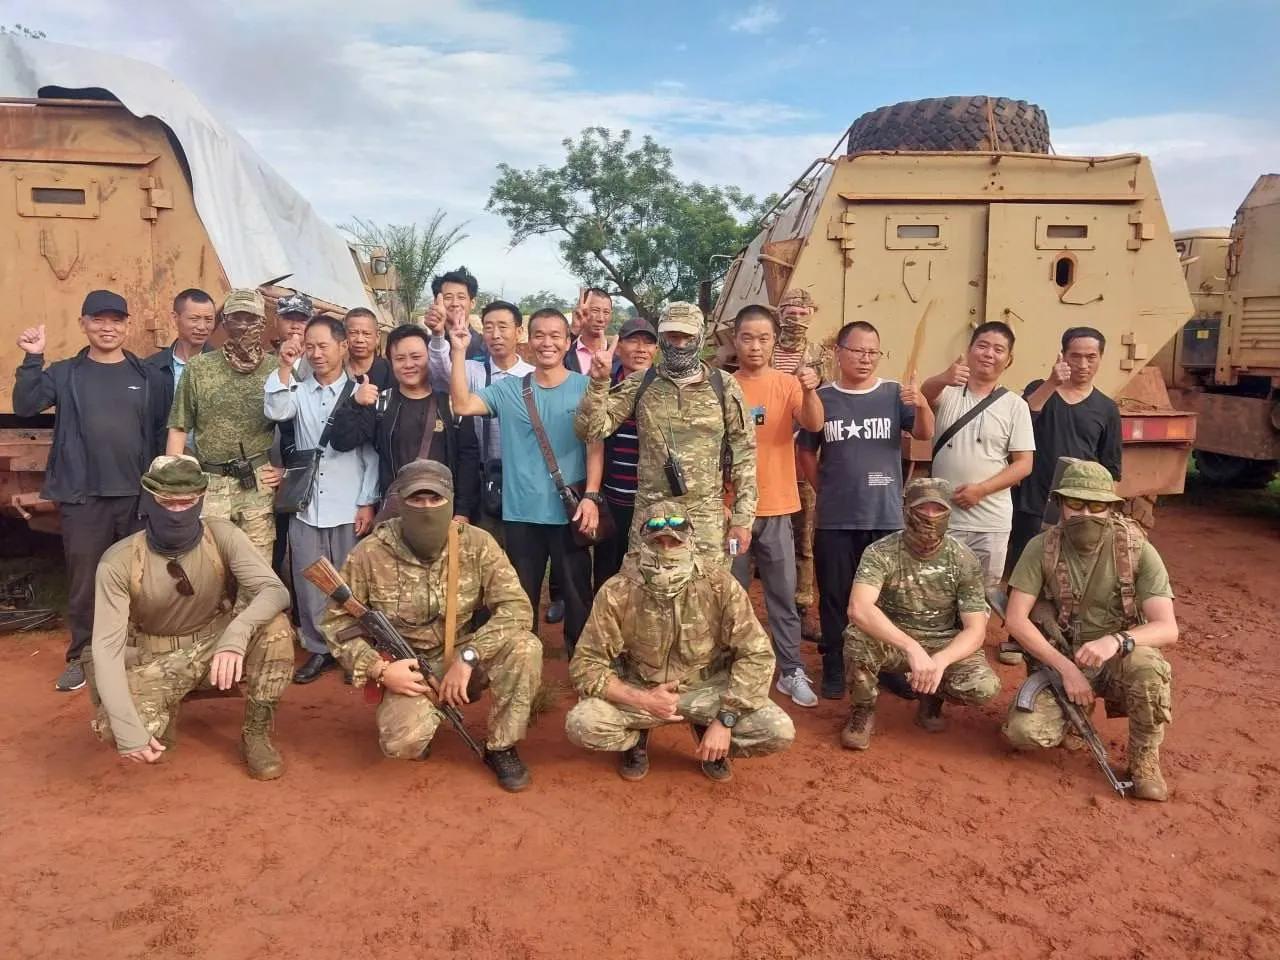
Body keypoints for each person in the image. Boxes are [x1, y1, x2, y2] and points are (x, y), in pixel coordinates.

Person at [318, 460, 542, 792]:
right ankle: (424, 716)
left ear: (450, 500)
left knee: (525, 647)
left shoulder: (477, 544)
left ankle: (502, 746)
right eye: (416, 499)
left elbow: (517, 608)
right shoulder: (370, 553)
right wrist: (380, 670)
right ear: (400, 501)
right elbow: (336, 623)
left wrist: (469, 656)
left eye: (435, 498)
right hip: (406, 667)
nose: (426, 507)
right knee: (402, 743)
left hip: (463, 655)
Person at [82, 455, 294, 779]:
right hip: (154, 657)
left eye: (187, 502)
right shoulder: (119, 561)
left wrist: (236, 634)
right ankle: (164, 706)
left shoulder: (221, 535)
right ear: (149, 499)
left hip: (214, 646)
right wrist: (128, 731)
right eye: (167, 502)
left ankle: (256, 734)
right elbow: (106, 648)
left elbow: (275, 591)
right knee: (114, 728)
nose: (177, 511)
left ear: (201, 499)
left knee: (276, 629)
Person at [565, 501, 795, 783]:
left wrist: (726, 718)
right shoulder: (618, 590)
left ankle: (708, 730)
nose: (666, 550)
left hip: (707, 690)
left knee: (777, 730)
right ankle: (635, 737)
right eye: (657, 542)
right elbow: (585, 664)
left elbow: (756, 654)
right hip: (641, 689)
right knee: (583, 724)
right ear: (642, 543)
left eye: (675, 542)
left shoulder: (719, 585)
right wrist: (642, 699)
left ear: (691, 542)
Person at [13, 289, 171, 692]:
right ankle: (82, 656)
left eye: (116, 320)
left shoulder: (148, 377)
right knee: (86, 581)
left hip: (136, 497)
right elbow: (26, 405)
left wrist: (157, 490)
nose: (107, 328)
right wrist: (33, 358)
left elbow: (160, 434)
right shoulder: (65, 373)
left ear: (127, 326)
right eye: (98, 319)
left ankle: (137, 652)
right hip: (83, 498)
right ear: (83, 324)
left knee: (139, 580)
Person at [1001, 461, 1177, 802]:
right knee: (1023, 733)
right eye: (1075, 503)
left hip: (1118, 660)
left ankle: (1144, 759)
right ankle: (1075, 714)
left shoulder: (1136, 549)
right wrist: (1066, 669)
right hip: (1064, 659)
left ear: (1111, 507)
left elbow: (1167, 627)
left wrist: (1116, 640)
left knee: (1149, 669)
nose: (1085, 514)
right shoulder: (1042, 547)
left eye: (1096, 506)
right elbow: (1017, 619)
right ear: (1060, 503)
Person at [448, 309, 602, 657]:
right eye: (539, 335)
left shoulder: (585, 387)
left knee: (577, 593)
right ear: (528, 340)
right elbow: (462, 404)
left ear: (567, 342)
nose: (547, 343)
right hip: (520, 513)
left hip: (569, 512)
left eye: (555, 336)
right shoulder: (508, 390)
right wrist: (458, 351)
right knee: (520, 596)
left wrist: (591, 496)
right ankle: (522, 659)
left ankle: (581, 661)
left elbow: (595, 445)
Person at [797, 320, 934, 699]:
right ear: (838, 352)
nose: (866, 358)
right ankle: (835, 663)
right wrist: (825, 490)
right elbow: (805, 451)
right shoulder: (822, 397)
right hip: (836, 519)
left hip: (885, 516)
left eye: (873, 352)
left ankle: (886, 665)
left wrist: (922, 404)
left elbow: (924, 434)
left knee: (886, 597)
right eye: (858, 351)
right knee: (835, 596)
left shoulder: (893, 394)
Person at [575, 301, 756, 567]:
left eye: (687, 336)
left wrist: (742, 519)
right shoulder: (641, 383)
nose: (680, 344)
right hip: (652, 516)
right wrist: (599, 382)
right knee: (648, 586)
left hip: (705, 517)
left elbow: (744, 453)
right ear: (662, 337)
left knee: (706, 588)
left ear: (700, 336)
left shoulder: (724, 385)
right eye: (672, 336)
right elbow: (590, 429)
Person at [841, 478, 999, 749]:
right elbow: (859, 608)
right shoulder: (881, 552)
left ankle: (933, 696)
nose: (930, 516)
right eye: (922, 508)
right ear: (906, 510)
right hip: (893, 641)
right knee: (857, 640)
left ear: (949, 512)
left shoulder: (963, 558)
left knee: (983, 687)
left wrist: (941, 660)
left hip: (941, 642)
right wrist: (911, 647)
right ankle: (862, 710)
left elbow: (976, 629)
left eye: (938, 509)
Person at [265, 316, 380, 684]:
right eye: (309, 347)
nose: (316, 354)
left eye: (323, 346)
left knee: (351, 580)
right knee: (310, 580)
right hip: (307, 504)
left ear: (342, 347)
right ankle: (319, 648)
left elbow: (370, 453)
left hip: (348, 502)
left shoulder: (361, 392)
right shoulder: (299, 392)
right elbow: (276, 410)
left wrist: (367, 501)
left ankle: (353, 649)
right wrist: (285, 365)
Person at [730, 304, 824, 707]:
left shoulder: (788, 384)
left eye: (763, 338)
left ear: (774, 342)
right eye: (747, 338)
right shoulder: (721, 386)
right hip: (732, 514)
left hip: (777, 509)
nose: (755, 346)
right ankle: (732, 668)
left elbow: (814, 424)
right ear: (735, 341)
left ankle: (790, 670)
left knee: (783, 596)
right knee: (731, 598)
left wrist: (811, 388)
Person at [167, 289, 284, 559]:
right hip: (211, 483)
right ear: (224, 322)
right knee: (211, 564)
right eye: (236, 318)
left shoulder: (276, 369)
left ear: (262, 322)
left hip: (257, 484)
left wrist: (286, 470)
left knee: (256, 567)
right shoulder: (199, 368)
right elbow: (178, 427)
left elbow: (294, 426)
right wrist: (173, 485)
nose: (243, 325)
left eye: (250, 319)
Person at [329, 323, 480, 521]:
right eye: (400, 358)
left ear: (430, 357)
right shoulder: (381, 404)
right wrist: (354, 403)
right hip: (396, 513)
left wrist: (462, 511)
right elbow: (341, 442)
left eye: (416, 357)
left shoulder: (452, 405)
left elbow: (468, 458)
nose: (408, 365)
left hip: (443, 512)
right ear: (391, 362)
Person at [922, 323, 1035, 579]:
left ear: (1009, 359)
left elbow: (1024, 464)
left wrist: (981, 490)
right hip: (943, 518)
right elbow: (923, 396)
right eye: (982, 346)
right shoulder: (947, 392)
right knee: (938, 589)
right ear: (969, 350)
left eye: (998, 349)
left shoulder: (1015, 405)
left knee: (985, 591)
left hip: (991, 522)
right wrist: (943, 377)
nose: (989, 354)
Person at [1008, 327, 1122, 578]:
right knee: (1024, 572)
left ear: (1101, 358)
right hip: (1033, 502)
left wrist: (1102, 512)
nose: (1083, 364)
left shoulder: (1106, 408)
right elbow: (1021, 421)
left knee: (1069, 574)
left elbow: (1111, 467)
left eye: (1091, 357)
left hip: (1078, 508)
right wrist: (1052, 383)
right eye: (1075, 356)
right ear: (1063, 355)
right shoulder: (1040, 389)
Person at [425, 300, 533, 536]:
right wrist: (444, 339)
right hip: (480, 478)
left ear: (519, 331)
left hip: (523, 480)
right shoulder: (473, 370)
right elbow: (441, 373)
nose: (495, 335)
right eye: (489, 327)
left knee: (522, 549)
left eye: (503, 327)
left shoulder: (532, 376)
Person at [770, 288, 826, 623]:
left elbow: (830, 404)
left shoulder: (821, 356)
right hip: (765, 457)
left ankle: (802, 605)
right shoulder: (765, 350)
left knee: (804, 536)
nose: (797, 319)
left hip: (802, 455)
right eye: (790, 312)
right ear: (779, 314)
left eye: (803, 314)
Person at [592, 316, 658, 587]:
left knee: (649, 575)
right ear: (618, 347)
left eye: (648, 343)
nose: (641, 349)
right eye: (633, 341)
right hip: (612, 500)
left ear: (656, 350)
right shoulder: (604, 385)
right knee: (608, 575)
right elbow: (591, 434)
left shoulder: (664, 389)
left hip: (652, 502)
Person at [145, 288, 216, 417]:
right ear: (175, 318)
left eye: (209, 320)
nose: (202, 327)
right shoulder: (152, 367)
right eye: (194, 319)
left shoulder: (223, 365)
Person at [343, 306, 392, 390]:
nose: (360, 340)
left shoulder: (391, 370)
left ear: (377, 337)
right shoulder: (335, 370)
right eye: (353, 333)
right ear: (344, 335)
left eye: (366, 334)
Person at [564, 288, 612, 374]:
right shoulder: (565, 354)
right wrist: (574, 331)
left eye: (606, 312)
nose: (601, 319)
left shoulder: (617, 357)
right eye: (595, 310)